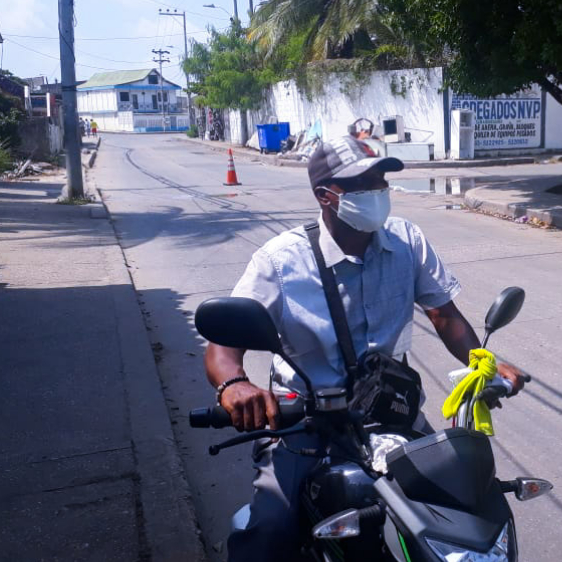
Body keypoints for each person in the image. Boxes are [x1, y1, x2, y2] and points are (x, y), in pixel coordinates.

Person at [204, 135, 526, 561]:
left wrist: (484, 363)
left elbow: (443, 315)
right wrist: (234, 385)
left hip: (392, 414)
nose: (377, 193)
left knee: (463, 501)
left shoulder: (406, 242)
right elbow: (223, 344)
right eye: (361, 185)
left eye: (380, 182)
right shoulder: (281, 261)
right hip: (305, 427)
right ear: (325, 196)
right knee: (270, 533)